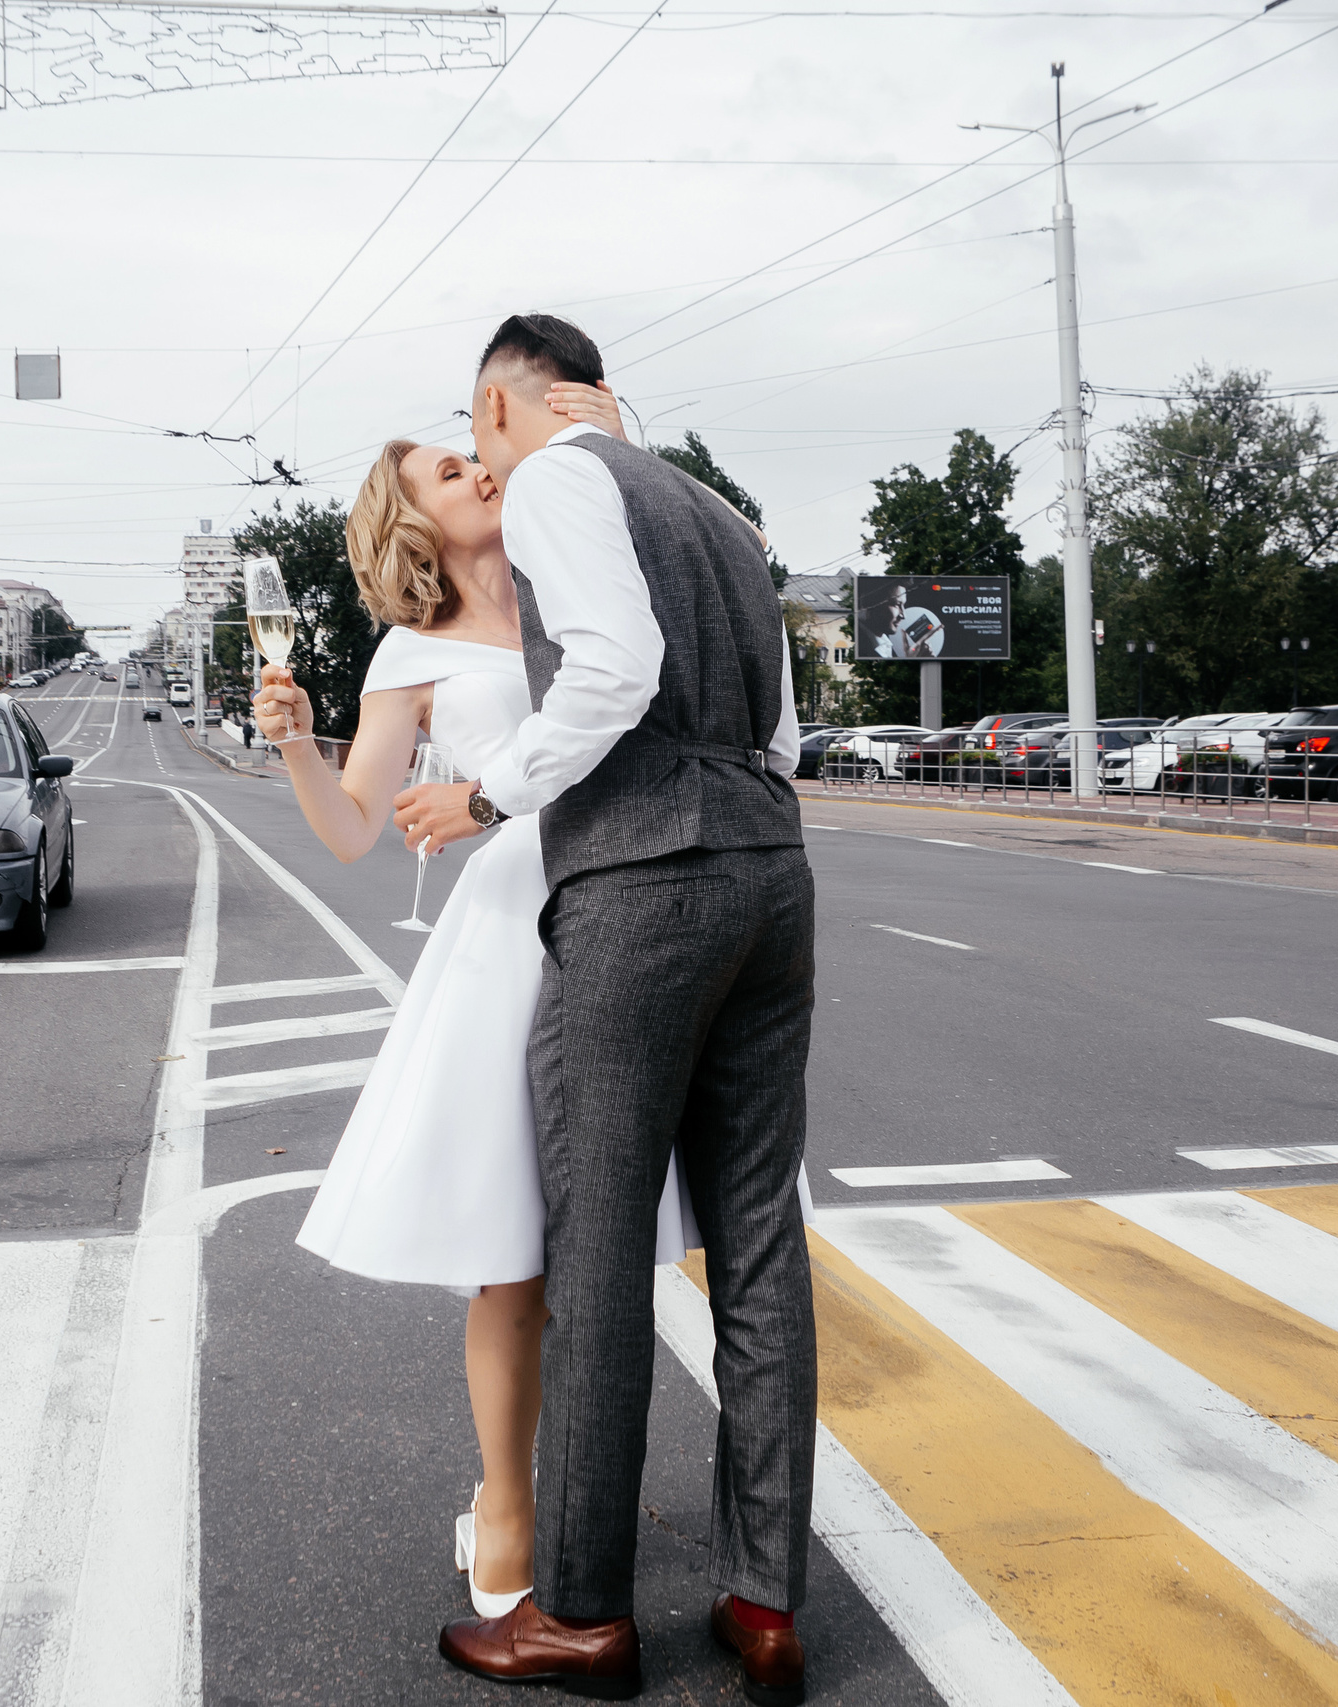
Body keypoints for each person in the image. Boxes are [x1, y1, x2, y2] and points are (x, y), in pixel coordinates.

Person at [392, 316, 815, 1704]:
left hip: (645, 883)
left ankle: (577, 1612)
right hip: (772, 869)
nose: (487, 464)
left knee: (596, 1244)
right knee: (757, 1243)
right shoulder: (724, 515)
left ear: (511, 407)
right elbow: (784, 732)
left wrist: (488, 788)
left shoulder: (568, 479)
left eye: (479, 430)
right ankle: (763, 1597)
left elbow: (614, 663)